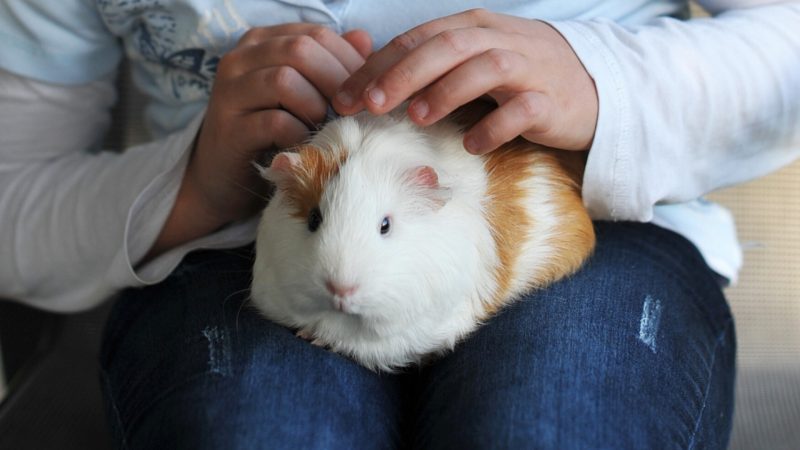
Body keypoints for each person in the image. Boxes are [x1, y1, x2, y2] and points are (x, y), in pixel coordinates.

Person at [0, 0, 798, 448]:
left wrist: (603, 80)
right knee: (258, 432)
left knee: (549, 431)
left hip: (603, 225)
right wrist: (196, 180)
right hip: (226, 251)